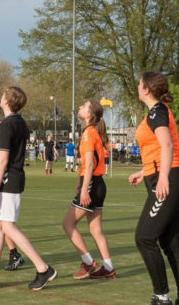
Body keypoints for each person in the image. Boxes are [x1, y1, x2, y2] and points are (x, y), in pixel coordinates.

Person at [129, 72, 179, 305]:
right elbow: (158, 150)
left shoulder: (158, 111)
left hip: (169, 179)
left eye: (139, 84)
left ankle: (161, 296)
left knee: (144, 237)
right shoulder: (156, 112)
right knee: (170, 241)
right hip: (164, 176)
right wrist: (144, 172)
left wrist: (163, 177)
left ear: (146, 89)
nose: (137, 87)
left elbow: (167, 144)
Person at [0, 87, 57, 290]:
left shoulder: (7, 125)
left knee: (7, 226)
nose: (1, 95)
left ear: (7, 101)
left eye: (4, 94)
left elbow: (3, 161)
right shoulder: (18, 122)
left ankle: (43, 269)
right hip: (13, 178)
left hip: (10, 180)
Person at [62, 100, 116, 281]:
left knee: (68, 224)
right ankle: (108, 268)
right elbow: (90, 162)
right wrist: (80, 181)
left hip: (92, 184)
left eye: (83, 106)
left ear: (89, 115)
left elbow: (91, 163)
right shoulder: (94, 132)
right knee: (96, 230)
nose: (79, 107)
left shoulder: (88, 133)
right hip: (99, 183)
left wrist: (84, 189)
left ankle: (88, 262)